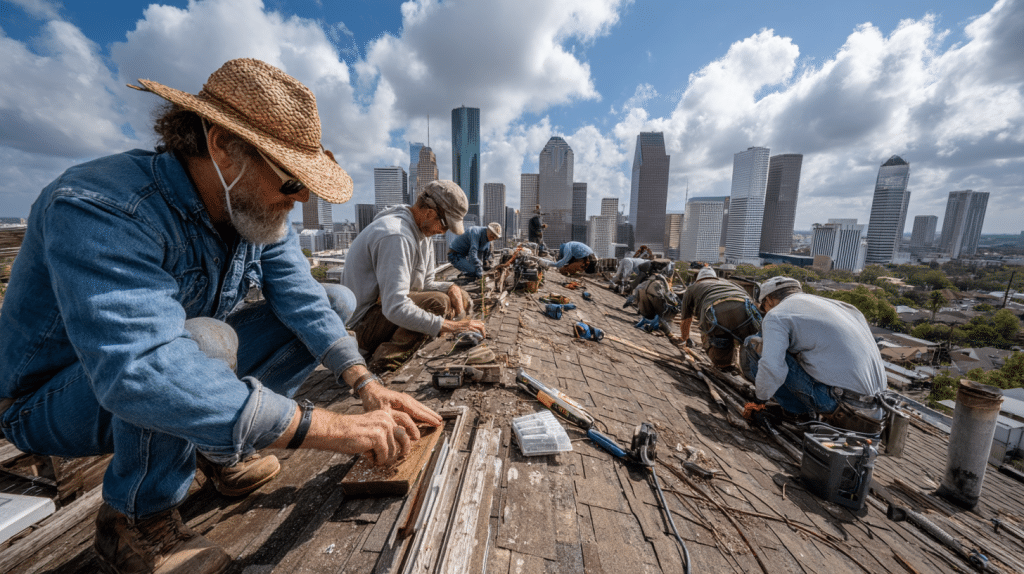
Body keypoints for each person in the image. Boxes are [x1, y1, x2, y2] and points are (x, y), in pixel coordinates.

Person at [0, 59, 442, 574]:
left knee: (334, 302)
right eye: (292, 180)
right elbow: (142, 369)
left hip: (170, 366)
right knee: (201, 342)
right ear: (223, 148)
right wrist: (332, 429)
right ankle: (136, 522)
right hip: (52, 402)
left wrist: (364, 382)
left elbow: (302, 298)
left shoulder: (249, 212)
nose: (302, 199)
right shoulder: (102, 205)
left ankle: (214, 444)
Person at [344, 180, 486, 359]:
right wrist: (453, 326)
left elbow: (425, 284)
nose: (443, 232)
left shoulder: (422, 231)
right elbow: (395, 307)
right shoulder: (396, 235)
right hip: (362, 328)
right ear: (429, 213)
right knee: (439, 303)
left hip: (382, 313)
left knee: (457, 296)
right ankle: (385, 362)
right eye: (444, 226)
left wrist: (451, 288)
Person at [740, 277, 887, 434]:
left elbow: (771, 366)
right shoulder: (844, 307)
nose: (766, 312)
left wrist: (759, 401)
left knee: (754, 343)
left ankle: (797, 412)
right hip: (878, 410)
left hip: (843, 407)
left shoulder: (777, 314)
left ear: (768, 300)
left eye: (764, 308)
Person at [677, 266, 761, 370]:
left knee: (721, 359)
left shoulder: (692, 288)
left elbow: (686, 320)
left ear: (698, 279)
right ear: (715, 277)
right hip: (744, 310)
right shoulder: (731, 283)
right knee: (752, 345)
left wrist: (685, 340)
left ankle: (724, 365)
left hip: (716, 312)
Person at [634, 273, 681, 340]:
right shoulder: (662, 283)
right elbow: (667, 295)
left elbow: (636, 295)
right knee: (664, 313)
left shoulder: (647, 281)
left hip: (643, 306)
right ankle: (668, 332)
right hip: (654, 303)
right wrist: (675, 304)